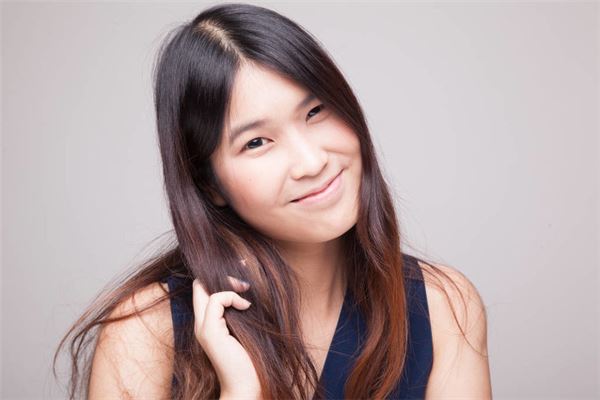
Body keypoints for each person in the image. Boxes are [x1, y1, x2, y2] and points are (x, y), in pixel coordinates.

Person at [54, 3, 492, 399]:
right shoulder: (146, 333)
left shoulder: (442, 307)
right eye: (257, 142)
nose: (312, 162)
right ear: (209, 184)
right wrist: (241, 392)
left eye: (316, 112)